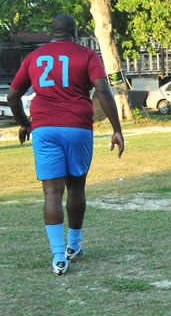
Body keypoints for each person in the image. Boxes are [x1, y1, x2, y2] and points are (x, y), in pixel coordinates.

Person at [7, 14, 125, 276]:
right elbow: (103, 90)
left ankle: (59, 257)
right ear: (74, 31)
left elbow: (13, 95)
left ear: (52, 32)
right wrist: (117, 129)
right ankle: (74, 245)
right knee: (76, 188)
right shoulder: (87, 54)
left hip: (44, 128)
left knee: (51, 193)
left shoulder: (34, 57)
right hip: (78, 127)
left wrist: (25, 123)